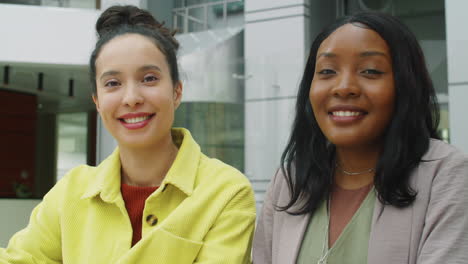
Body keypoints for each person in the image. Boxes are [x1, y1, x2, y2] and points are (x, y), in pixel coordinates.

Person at [0, 5, 255, 264]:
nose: (131, 98)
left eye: (149, 79)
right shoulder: (71, 192)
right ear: (97, 101)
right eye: (112, 83)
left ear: (177, 92)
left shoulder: (226, 192)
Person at [252, 11, 468, 264]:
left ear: (405, 85)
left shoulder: (446, 173)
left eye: (370, 71)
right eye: (327, 71)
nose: (344, 87)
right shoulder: (291, 180)